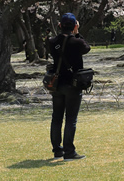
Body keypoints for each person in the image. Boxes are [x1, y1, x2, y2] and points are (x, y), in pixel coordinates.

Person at [49, 13, 91, 161]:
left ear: (60, 25)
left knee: (56, 118)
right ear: (74, 26)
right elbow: (87, 48)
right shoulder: (77, 42)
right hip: (73, 84)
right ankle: (69, 151)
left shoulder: (52, 42)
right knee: (71, 118)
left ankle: (57, 150)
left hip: (57, 84)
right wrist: (77, 33)